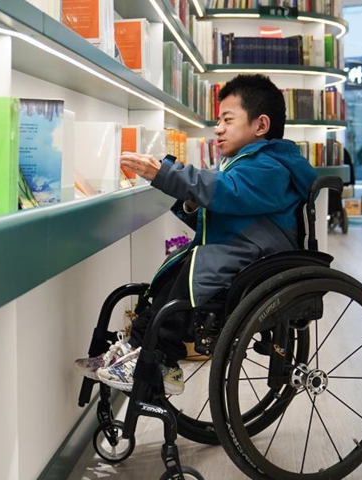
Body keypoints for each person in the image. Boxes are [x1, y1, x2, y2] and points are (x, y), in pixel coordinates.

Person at [74, 74, 318, 395]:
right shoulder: (252, 163)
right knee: (174, 274)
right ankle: (137, 348)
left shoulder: (270, 169)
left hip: (255, 261)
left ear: (260, 125)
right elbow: (225, 206)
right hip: (241, 252)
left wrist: (165, 174)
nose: (218, 128)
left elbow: (226, 191)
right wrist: (190, 200)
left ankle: (160, 362)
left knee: (187, 276)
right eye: (219, 120)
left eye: (227, 120)